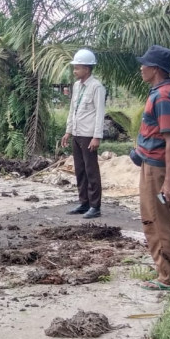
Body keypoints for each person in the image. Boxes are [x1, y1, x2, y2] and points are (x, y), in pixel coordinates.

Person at [130, 45, 170, 291]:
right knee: (158, 218)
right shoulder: (166, 91)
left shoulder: (162, 97)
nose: (141, 68)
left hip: (156, 169)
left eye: (145, 64)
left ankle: (168, 278)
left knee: (156, 221)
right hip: (153, 166)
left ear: (155, 69)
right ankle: (165, 272)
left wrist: (169, 180)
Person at [60, 48, 106, 219]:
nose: (75, 71)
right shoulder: (77, 86)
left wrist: (96, 136)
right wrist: (68, 131)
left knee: (91, 169)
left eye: (77, 68)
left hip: (88, 135)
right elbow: (73, 109)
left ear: (87, 69)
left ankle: (95, 206)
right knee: (80, 169)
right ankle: (83, 202)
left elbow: (100, 113)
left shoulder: (97, 87)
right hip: (77, 134)